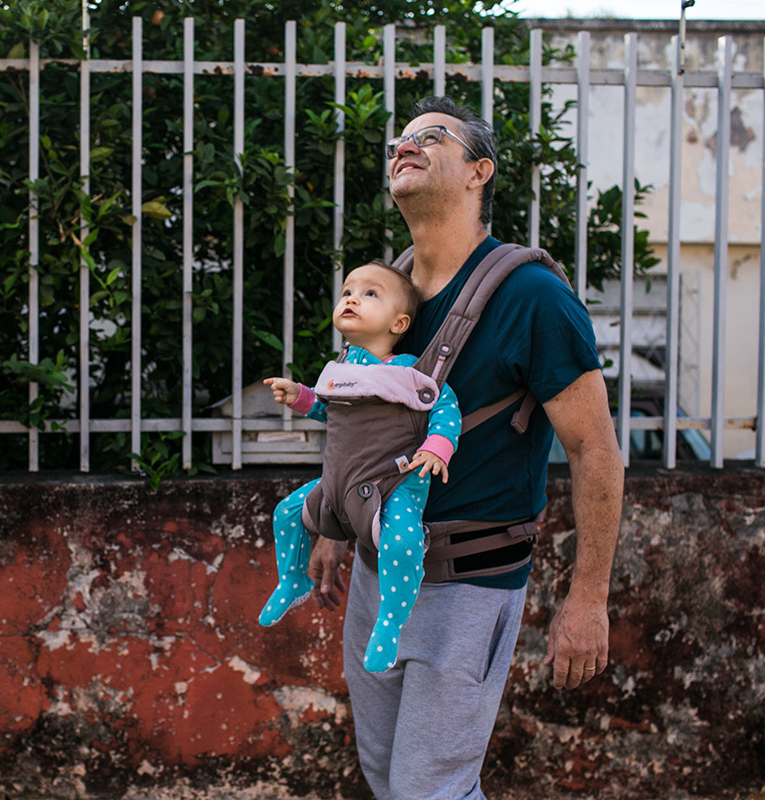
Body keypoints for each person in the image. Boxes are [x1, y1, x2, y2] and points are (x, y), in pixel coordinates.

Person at [305, 97, 624, 800]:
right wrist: (332, 519)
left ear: (480, 172)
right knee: (388, 779)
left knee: (431, 790)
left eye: (432, 137)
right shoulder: (385, 294)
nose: (405, 147)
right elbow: (362, 421)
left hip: (468, 585)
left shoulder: (534, 297)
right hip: (375, 575)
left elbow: (596, 452)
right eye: (400, 141)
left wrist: (588, 599)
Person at [257, 261, 460, 674]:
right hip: (339, 483)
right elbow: (328, 413)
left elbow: (445, 406)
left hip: (393, 483)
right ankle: (292, 580)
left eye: (370, 294)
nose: (352, 297)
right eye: (348, 290)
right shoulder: (341, 371)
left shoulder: (407, 371)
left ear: (399, 322)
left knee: (401, 543)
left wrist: (438, 448)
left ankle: (389, 624)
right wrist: (299, 396)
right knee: (287, 513)